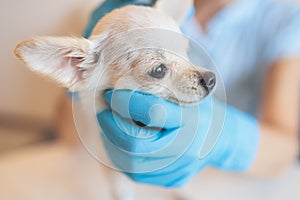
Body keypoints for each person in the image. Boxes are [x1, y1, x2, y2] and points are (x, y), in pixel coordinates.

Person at [89, 0, 300, 187]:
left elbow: (284, 153)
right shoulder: (145, 13)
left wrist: (220, 137)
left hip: (234, 183)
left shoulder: (284, 21)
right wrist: (89, 78)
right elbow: (70, 135)